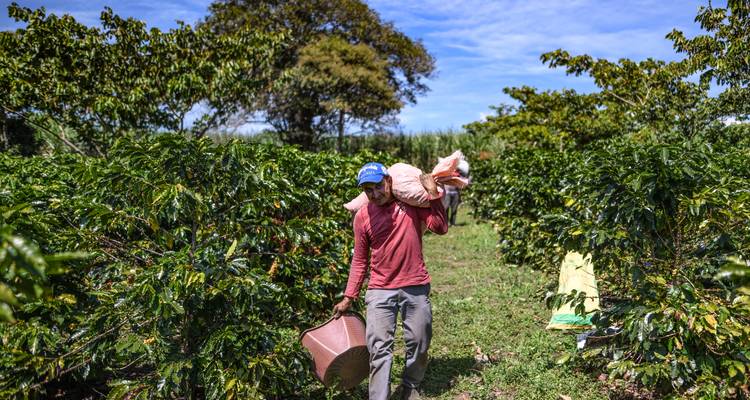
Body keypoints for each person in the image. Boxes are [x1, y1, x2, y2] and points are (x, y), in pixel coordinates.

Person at [333, 162, 448, 400]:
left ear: (389, 181)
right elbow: (360, 261)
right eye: (368, 190)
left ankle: (410, 385)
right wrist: (349, 296)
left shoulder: (411, 205)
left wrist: (433, 195)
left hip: (415, 285)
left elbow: (440, 227)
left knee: (419, 341)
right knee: (379, 349)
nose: (375, 194)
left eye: (378, 186)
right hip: (379, 290)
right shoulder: (362, 216)